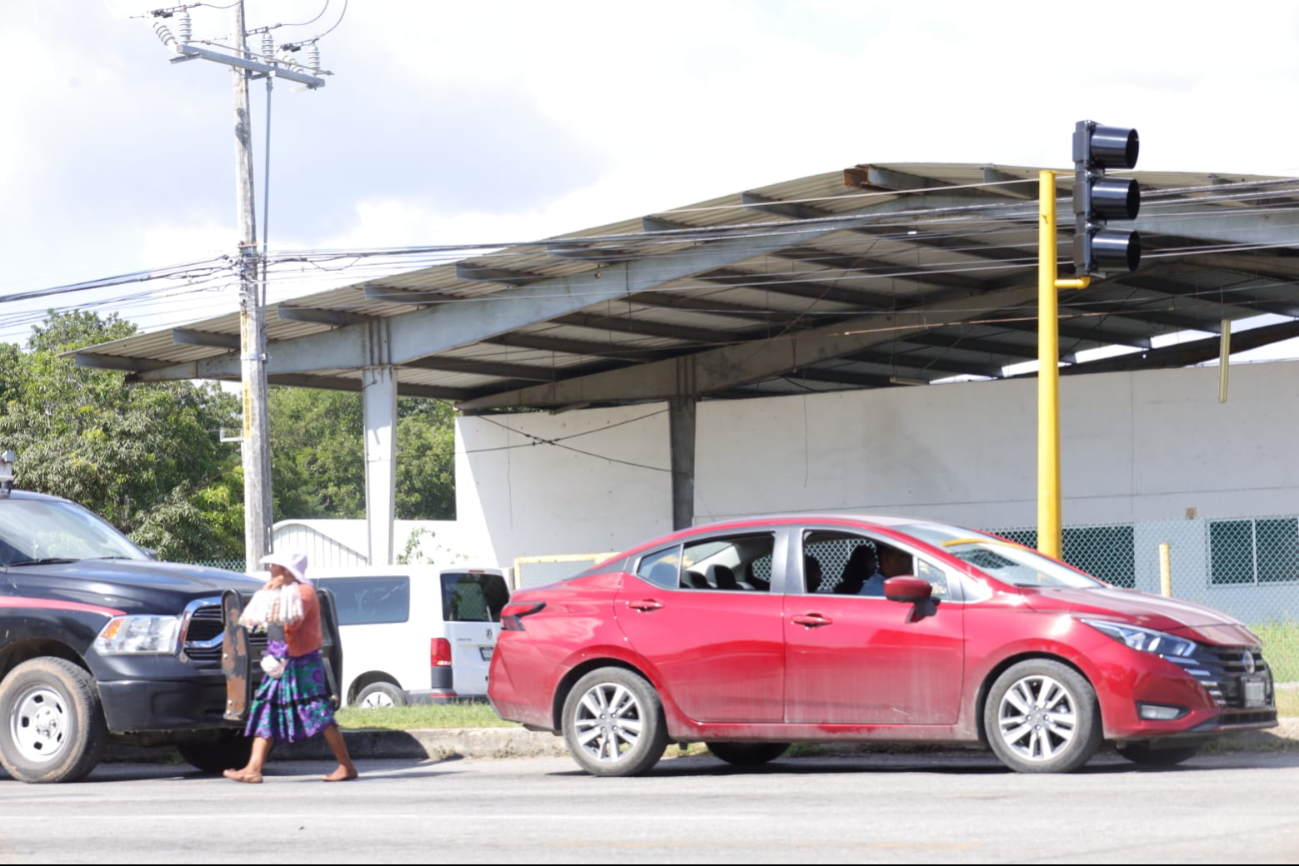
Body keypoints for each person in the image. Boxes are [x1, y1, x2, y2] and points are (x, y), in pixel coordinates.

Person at [224, 551, 358, 784]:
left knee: (319, 712)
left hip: (301, 663)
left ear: (286, 571)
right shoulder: (285, 592)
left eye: (274, 566)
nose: (270, 571)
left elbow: (292, 622)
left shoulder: (304, 593)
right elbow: (254, 619)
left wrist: (270, 594)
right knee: (266, 710)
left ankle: (346, 766)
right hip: (280, 661)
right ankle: (253, 768)